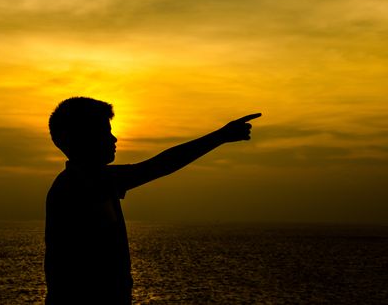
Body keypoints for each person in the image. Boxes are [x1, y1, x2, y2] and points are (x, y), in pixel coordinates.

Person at [44, 96, 261, 304]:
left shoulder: (97, 180)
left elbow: (160, 165)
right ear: (84, 138)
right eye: (105, 132)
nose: (114, 139)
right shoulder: (76, 187)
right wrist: (220, 136)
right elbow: (159, 166)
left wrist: (221, 136)